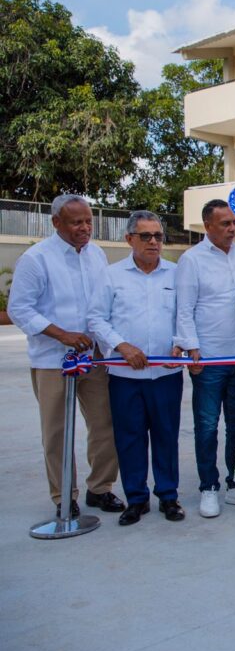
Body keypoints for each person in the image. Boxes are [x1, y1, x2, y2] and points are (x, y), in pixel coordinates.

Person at [8, 194, 124, 518]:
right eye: (76, 222)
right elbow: (19, 309)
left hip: (95, 358)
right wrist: (62, 334)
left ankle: (100, 488)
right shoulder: (36, 259)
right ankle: (64, 496)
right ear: (56, 222)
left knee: (105, 424)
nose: (85, 228)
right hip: (52, 361)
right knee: (57, 431)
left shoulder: (97, 254)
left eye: (88, 221)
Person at [87, 211, 185, 525]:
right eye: (146, 236)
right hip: (125, 376)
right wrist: (122, 346)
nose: (153, 242)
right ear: (129, 239)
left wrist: (181, 343)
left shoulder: (176, 274)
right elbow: (96, 319)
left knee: (166, 436)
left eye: (158, 236)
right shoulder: (111, 275)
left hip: (166, 374)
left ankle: (168, 496)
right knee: (130, 438)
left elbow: (185, 315)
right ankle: (136, 499)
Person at [173, 198, 235, 517]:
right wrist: (191, 348)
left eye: (234, 222)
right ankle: (209, 487)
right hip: (207, 360)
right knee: (207, 427)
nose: (233, 228)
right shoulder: (192, 260)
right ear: (207, 226)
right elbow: (184, 309)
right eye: (225, 223)